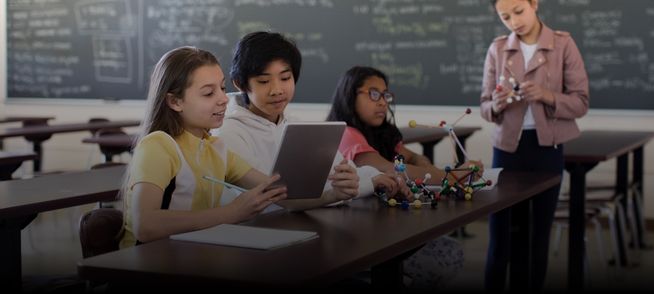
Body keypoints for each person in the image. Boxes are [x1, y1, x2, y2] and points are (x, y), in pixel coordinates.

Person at [119, 46, 358, 248]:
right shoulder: (159, 145)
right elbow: (145, 226)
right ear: (175, 101)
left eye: (222, 88)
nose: (223, 99)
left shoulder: (216, 148)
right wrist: (230, 213)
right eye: (208, 93)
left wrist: (333, 195)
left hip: (193, 256)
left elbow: (281, 196)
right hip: (149, 267)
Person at [326, 65, 483, 288]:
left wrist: (423, 164)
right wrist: (454, 176)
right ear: (350, 95)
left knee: (449, 251)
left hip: (383, 227)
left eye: (385, 95)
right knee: (445, 257)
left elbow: (412, 159)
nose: (382, 102)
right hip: (356, 237)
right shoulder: (346, 133)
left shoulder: (382, 132)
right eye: (373, 94)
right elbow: (390, 168)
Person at [216, 31, 406, 208]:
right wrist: (347, 191)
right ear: (240, 84)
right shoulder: (228, 131)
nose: (277, 90)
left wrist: (376, 177)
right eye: (264, 81)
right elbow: (276, 197)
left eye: (285, 78)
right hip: (256, 232)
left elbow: (340, 171)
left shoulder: (297, 125)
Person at [479, 0, 589, 291]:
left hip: (547, 149)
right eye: (505, 17)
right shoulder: (497, 48)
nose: (514, 21)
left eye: (519, 12)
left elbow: (581, 102)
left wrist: (546, 95)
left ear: (534, 4)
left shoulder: (563, 44)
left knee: (538, 236)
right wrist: (497, 104)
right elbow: (484, 105)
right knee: (500, 236)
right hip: (506, 150)